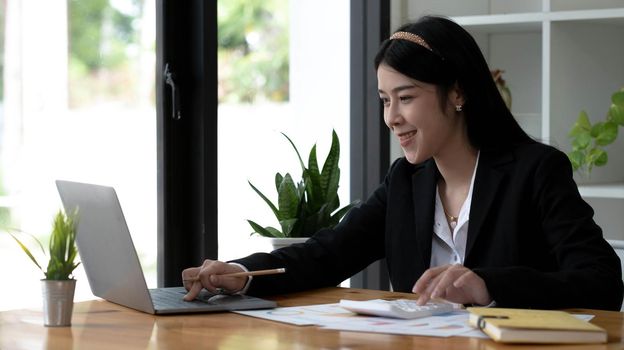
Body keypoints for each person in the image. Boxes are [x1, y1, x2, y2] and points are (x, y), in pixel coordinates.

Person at [183, 15, 623, 310]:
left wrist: (489, 285)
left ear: (457, 93)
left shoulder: (535, 170)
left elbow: (602, 281)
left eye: (406, 97)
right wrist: (242, 273)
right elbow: (328, 254)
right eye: (384, 100)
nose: (391, 117)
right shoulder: (406, 182)